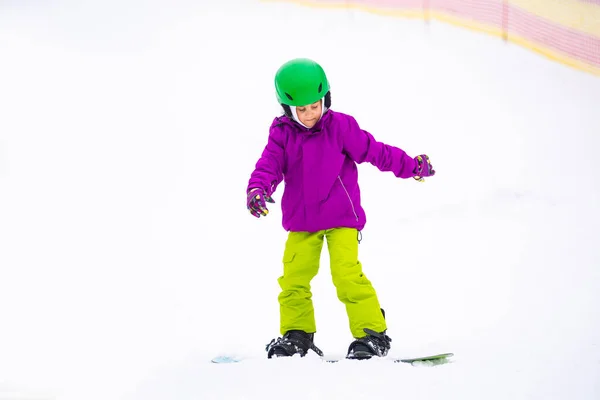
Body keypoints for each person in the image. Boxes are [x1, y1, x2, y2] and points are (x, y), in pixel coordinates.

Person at [246, 58, 435, 360]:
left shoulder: (341, 127)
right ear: (287, 109)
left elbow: (377, 152)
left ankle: (372, 334)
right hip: (302, 221)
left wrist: (412, 166)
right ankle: (297, 335)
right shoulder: (282, 134)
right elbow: (268, 165)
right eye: (301, 109)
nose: (309, 115)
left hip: (340, 219)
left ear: (326, 99)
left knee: (346, 275)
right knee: (293, 279)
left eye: (314, 106)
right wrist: (258, 189)